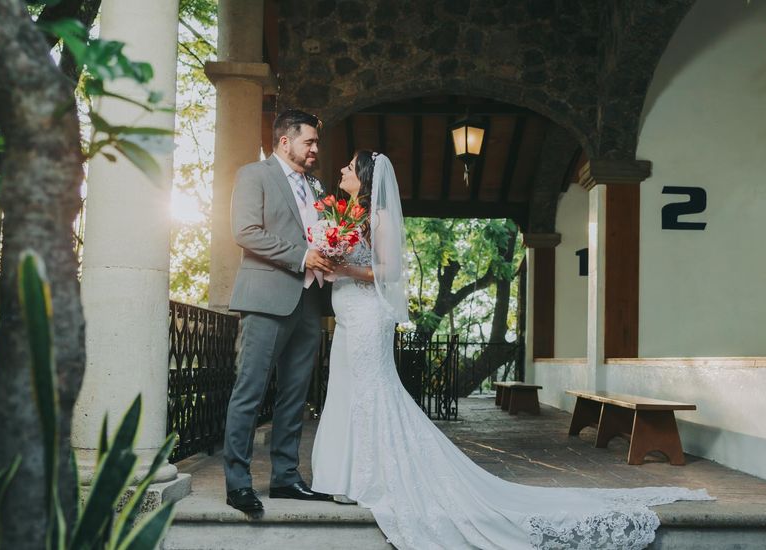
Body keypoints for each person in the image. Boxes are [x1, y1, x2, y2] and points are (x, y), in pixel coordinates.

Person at [311, 150, 713, 549]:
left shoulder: (378, 217)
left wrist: (343, 268)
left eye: (349, 166)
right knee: (346, 392)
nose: (343, 169)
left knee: (370, 393)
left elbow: (390, 271)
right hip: (349, 317)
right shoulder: (350, 217)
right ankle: (345, 477)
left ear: (364, 177)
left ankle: (371, 477)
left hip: (367, 318)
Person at [223, 109, 338, 515]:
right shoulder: (254, 175)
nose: (315, 149)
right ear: (285, 141)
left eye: (316, 143)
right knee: (250, 393)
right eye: (310, 142)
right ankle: (237, 483)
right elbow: (245, 232)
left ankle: (286, 477)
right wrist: (302, 256)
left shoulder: (316, 186)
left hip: (310, 302)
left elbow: (322, 236)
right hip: (266, 299)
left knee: (295, 396)